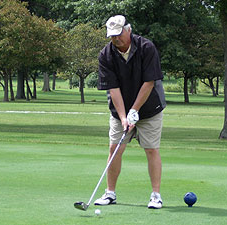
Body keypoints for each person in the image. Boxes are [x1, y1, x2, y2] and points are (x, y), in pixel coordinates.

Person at [95, 15, 166, 209]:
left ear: (128, 30)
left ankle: (156, 196)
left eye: (119, 35)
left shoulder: (146, 48)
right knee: (114, 148)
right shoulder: (106, 55)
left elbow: (149, 81)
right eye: (112, 36)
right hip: (120, 110)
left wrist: (135, 110)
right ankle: (110, 193)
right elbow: (113, 89)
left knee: (151, 149)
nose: (116, 39)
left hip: (150, 107)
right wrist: (124, 116)